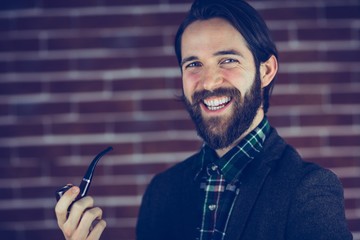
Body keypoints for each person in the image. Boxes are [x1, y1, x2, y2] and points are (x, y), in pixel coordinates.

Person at [55, 0, 353, 239]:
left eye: (228, 60)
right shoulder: (161, 192)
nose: (209, 82)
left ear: (265, 71)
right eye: (194, 64)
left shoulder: (309, 189)